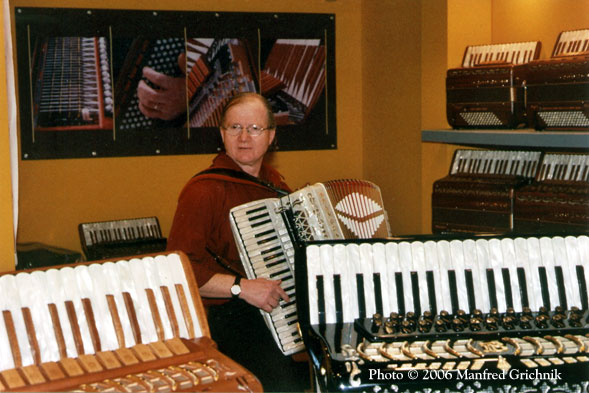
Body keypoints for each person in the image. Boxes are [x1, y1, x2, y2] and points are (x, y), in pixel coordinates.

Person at [166, 92, 309, 392]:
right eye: (235, 128)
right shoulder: (202, 191)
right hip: (228, 318)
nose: (244, 137)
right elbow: (177, 272)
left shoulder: (277, 186)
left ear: (271, 136)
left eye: (254, 128)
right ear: (222, 134)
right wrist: (240, 287)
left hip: (278, 312)